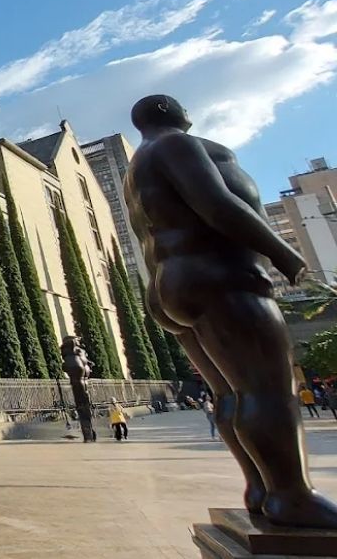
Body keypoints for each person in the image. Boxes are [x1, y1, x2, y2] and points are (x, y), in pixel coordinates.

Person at [124, 94, 337, 528]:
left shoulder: (136, 167)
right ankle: (292, 495)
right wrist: (285, 255)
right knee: (269, 391)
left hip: (170, 285)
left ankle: (260, 487)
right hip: (216, 276)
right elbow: (217, 204)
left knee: (228, 394)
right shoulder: (173, 145)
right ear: (168, 109)